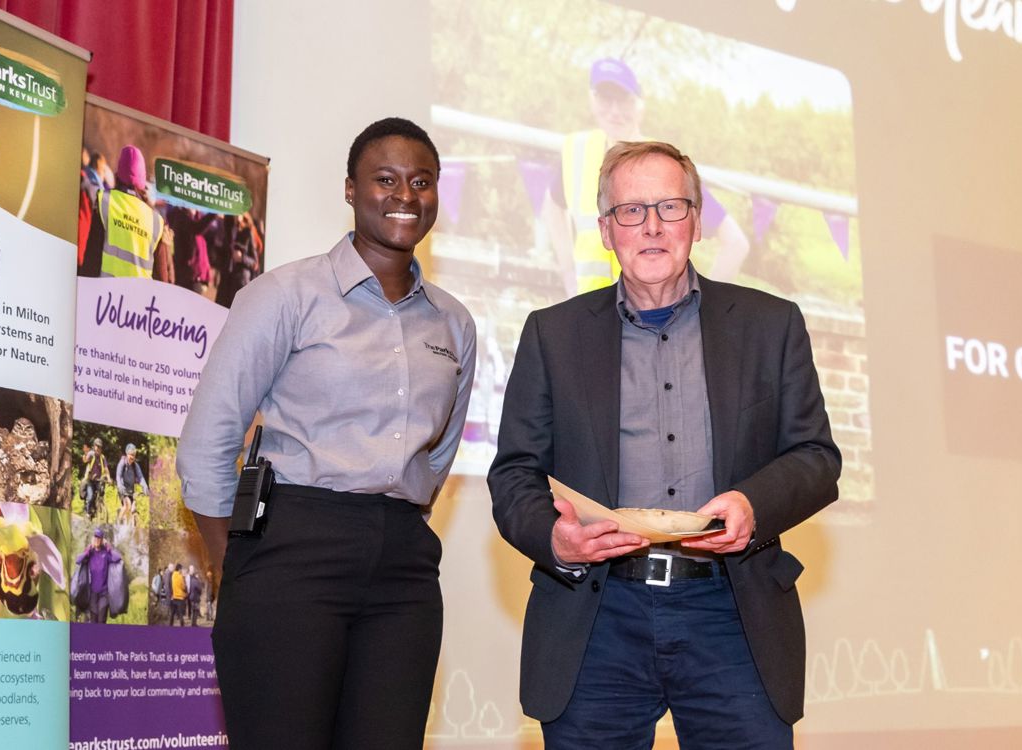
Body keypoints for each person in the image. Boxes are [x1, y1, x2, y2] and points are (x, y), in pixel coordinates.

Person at [487, 141, 841, 749]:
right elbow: (515, 472)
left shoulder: (771, 325)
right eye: (631, 211)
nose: (651, 226)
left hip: (732, 614)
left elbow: (816, 458)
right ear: (606, 231)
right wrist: (556, 539)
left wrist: (753, 505)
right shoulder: (553, 334)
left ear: (696, 222)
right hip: (596, 615)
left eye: (670, 207)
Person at [177, 117, 476, 749]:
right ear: (350, 189)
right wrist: (237, 566)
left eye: (422, 181)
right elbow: (208, 441)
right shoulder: (286, 295)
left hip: (404, 569)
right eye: (385, 179)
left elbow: (438, 455)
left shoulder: (455, 323)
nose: (405, 195)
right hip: (291, 548)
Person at [542, 58, 751, 296]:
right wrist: (569, 275)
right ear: (592, 100)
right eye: (605, 98)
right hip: (590, 310)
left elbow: (735, 243)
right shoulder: (577, 151)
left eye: (624, 100)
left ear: (640, 106)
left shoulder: (665, 165)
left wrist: (705, 308)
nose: (615, 111)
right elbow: (552, 206)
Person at [83, 145, 168, 280]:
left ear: (118, 174)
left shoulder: (105, 202)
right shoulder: (156, 221)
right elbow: (162, 280)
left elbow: (91, 261)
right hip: (140, 294)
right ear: (142, 179)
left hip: (106, 292)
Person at [74, 528, 121, 624]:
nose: (96, 539)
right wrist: (87, 551)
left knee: (101, 620)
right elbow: (78, 560)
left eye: (99, 538)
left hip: (104, 593)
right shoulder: (90, 553)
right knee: (93, 621)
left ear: (102, 540)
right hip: (93, 594)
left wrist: (109, 549)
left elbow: (118, 558)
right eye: (95, 537)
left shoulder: (106, 554)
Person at [115, 443, 148, 526]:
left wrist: (145, 486)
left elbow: (140, 477)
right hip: (122, 489)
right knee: (127, 505)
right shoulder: (122, 463)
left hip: (131, 490)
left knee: (133, 509)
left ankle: (128, 526)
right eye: (131, 455)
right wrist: (119, 485)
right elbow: (118, 475)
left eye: (134, 455)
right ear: (127, 454)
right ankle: (117, 523)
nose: (132, 457)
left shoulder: (135, 466)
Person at [81, 438, 108, 520]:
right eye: (97, 446)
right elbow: (85, 460)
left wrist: (109, 478)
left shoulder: (102, 458)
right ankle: (88, 512)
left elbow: (106, 468)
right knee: (90, 496)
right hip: (90, 480)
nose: (98, 448)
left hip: (98, 480)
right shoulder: (91, 454)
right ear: (94, 446)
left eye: (100, 447)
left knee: (101, 493)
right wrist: (85, 455)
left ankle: (98, 507)